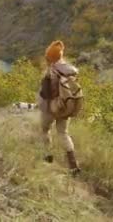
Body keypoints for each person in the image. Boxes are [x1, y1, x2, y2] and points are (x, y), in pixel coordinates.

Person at [38, 40, 82, 174]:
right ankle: (73, 165)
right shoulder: (71, 71)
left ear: (50, 58)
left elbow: (44, 94)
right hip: (65, 108)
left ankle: (47, 156)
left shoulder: (50, 72)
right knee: (63, 133)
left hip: (51, 108)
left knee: (45, 130)